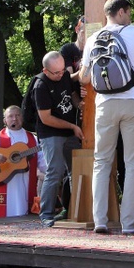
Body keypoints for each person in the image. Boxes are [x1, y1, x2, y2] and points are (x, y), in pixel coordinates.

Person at [79, 0, 134, 234]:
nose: (131, 16)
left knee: (102, 162)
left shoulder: (94, 38)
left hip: (105, 105)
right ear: (122, 12)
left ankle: (100, 221)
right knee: (133, 164)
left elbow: (84, 77)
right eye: (130, 12)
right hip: (133, 103)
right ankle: (128, 223)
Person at [34, 50, 85, 227]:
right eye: (56, 72)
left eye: (63, 70)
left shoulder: (63, 74)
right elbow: (46, 118)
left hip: (70, 131)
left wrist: (79, 103)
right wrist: (72, 126)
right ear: (45, 71)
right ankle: (46, 213)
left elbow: (72, 93)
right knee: (54, 171)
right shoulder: (40, 86)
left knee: (76, 170)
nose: (61, 75)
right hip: (51, 133)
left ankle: (73, 209)